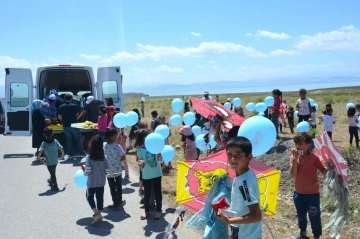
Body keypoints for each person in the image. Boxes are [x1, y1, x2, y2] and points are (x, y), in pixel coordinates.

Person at [215, 136, 262, 239]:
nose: (233, 159)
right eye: (230, 154)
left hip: (245, 234)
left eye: (238, 154)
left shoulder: (244, 182)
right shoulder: (242, 175)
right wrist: (228, 210)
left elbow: (256, 216)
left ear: (249, 157)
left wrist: (228, 220)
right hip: (242, 230)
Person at [290, 133, 327, 239]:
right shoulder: (293, 157)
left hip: (312, 194)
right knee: (301, 216)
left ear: (309, 145)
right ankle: (303, 233)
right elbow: (293, 174)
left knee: (314, 215)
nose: (298, 146)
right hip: (299, 193)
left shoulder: (314, 158)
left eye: (301, 144)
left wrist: (330, 170)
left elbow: (323, 170)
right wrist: (296, 160)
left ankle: (316, 235)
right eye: (297, 144)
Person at [136, 130, 163, 220]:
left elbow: (160, 160)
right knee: (146, 193)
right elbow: (139, 161)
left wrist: (160, 155)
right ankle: (146, 211)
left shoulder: (156, 147)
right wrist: (141, 163)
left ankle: (159, 210)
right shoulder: (140, 150)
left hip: (156, 173)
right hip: (146, 174)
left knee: (157, 192)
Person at [83, 135, 109, 224]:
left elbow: (88, 171)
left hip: (91, 182)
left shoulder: (89, 158)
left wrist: (84, 173)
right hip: (101, 182)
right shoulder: (104, 157)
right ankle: (100, 213)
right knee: (100, 197)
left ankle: (95, 213)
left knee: (89, 196)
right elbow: (107, 170)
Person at [58, 94, 86, 159]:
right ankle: (82, 152)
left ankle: (71, 153)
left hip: (66, 125)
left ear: (64, 99)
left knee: (69, 140)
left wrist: (63, 120)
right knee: (78, 139)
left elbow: (59, 117)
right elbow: (77, 115)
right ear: (71, 99)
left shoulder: (61, 106)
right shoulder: (74, 106)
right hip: (74, 124)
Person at [104, 129, 126, 209]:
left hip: (109, 171)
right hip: (117, 170)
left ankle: (115, 202)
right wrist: (119, 162)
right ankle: (119, 201)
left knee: (112, 187)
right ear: (111, 137)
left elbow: (103, 158)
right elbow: (123, 156)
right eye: (116, 135)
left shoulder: (105, 147)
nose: (117, 137)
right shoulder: (117, 146)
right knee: (119, 186)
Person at [37, 127, 65, 192]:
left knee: (52, 173)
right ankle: (50, 181)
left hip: (49, 162)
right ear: (52, 134)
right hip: (55, 160)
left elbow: (40, 151)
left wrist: (39, 158)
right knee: (53, 171)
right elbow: (61, 148)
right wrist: (62, 154)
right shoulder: (55, 141)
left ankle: (55, 186)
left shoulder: (44, 143)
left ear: (44, 135)